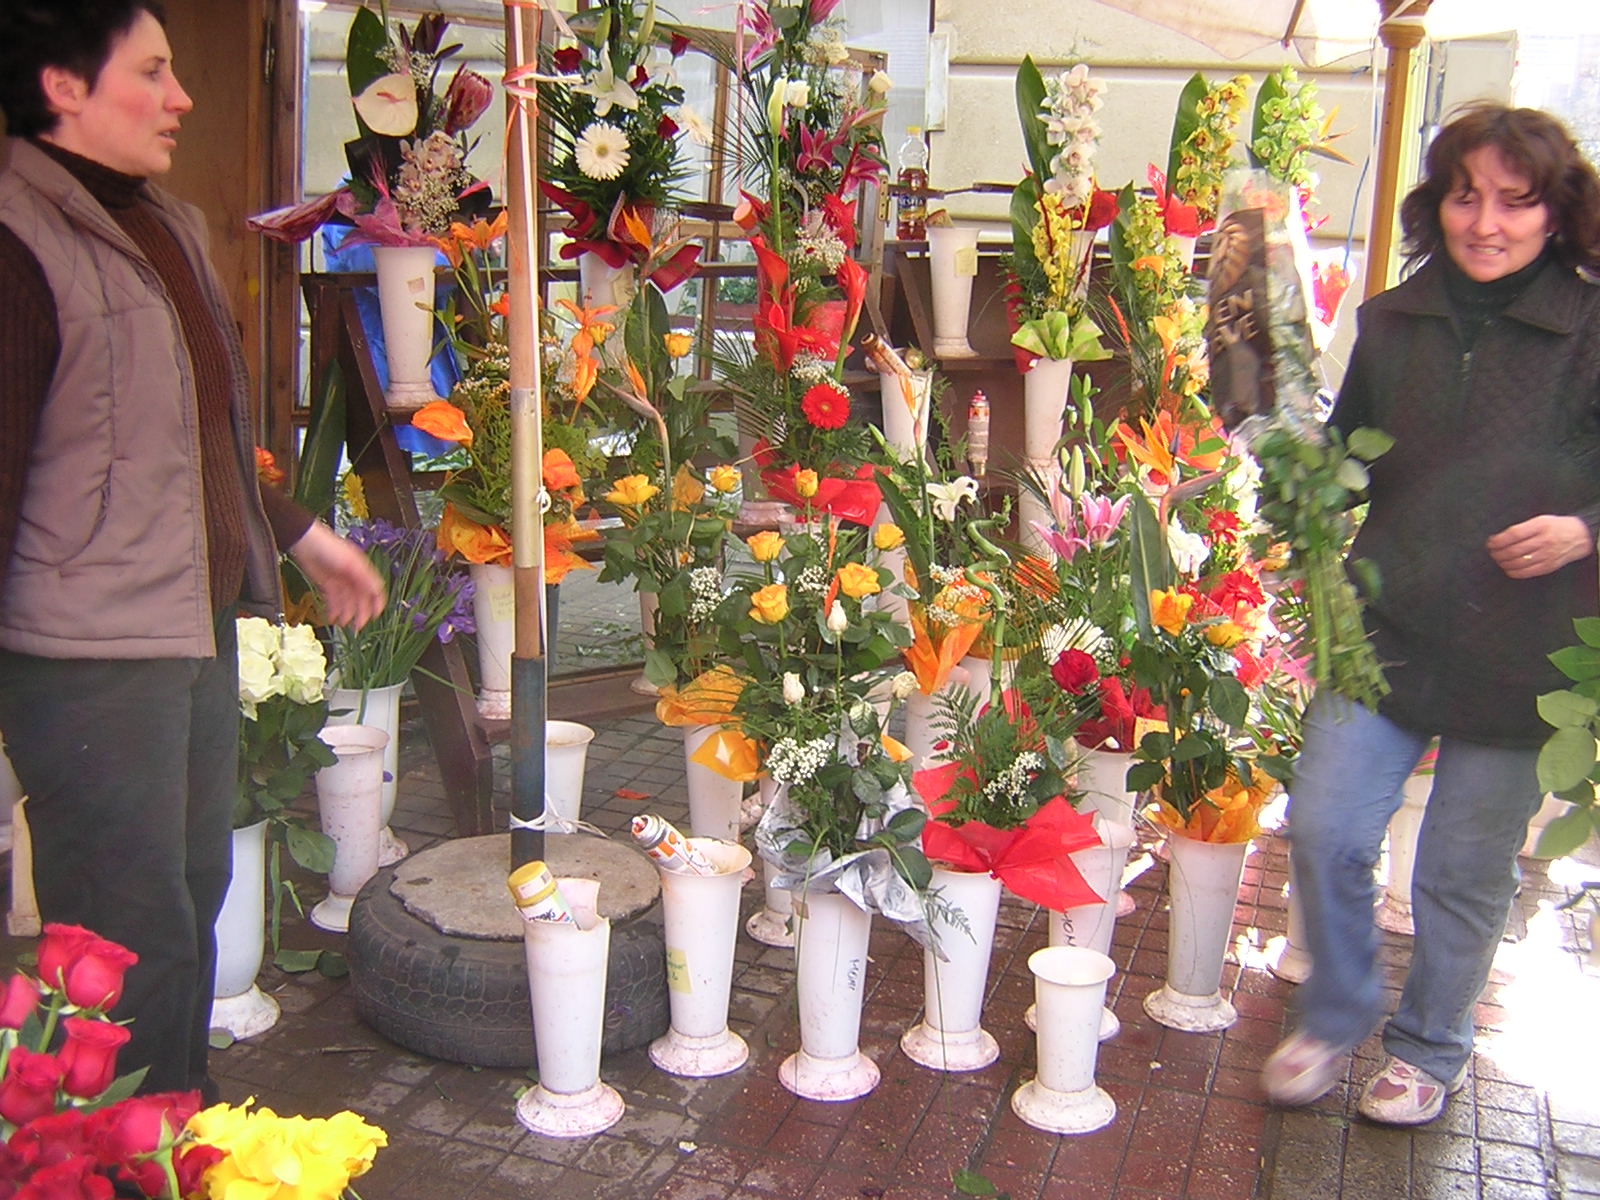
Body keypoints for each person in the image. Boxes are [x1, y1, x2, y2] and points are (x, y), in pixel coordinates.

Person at [0, 0, 384, 1098]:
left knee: (191, 894)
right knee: (124, 936)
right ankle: (112, 1151)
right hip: (86, 655)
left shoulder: (161, 224)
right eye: (152, 71)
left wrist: (300, 534)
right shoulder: (18, 243)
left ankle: (167, 1132)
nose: (181, 98)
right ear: (64, 86)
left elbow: (194, 439)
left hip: (193, 623)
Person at [1261, 103, 1600, 1125]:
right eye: (1466, 196)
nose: (1486, 222)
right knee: (1324, 826)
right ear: (1437, 203)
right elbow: (1349, 455)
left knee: (1461, 868)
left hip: (1525, 643)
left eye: (1514, 201)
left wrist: (1582, 530)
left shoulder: (1591, 327)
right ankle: (1337, 1011)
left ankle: (1429, 1046)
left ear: (1554, 212)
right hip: (1388, 624)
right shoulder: (1392, 322)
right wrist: (1290, 465)